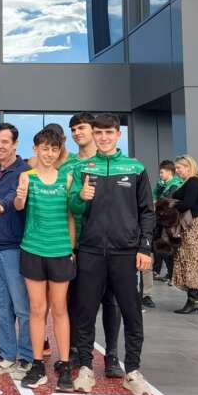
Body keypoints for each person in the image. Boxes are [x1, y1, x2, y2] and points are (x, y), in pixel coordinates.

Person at [68, 113, 156, 395]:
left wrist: (144, 247)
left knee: (131, 312)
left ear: (118, 135)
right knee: (85, 311)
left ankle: (132, 370)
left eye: (109, 133)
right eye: (99, 133)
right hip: (91, 250)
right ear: (94, 136)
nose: (104, 138)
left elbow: (147, 212)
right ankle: (84, 368)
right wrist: (80, 197)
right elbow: (73, 207)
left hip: (126, 252)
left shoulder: (135, 168)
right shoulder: (84, 167)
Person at [58, 112, 123, 378]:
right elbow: (67, 208)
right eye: (73, 129)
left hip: (115, 245)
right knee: (79, 301)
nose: (77, 133)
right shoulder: (70, 167)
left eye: (82, 127)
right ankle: (76, 351)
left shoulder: (121, 164)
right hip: (81, 244)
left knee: (112, 301)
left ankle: (112, 356)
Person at [13, 127, 76, 391]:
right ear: (36, 149)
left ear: (59, 151)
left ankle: (63, 364)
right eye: (44, 148)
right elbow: (18, 208)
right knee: (37, 310)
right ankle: (37, 364)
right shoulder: (27, 177)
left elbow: (72, 217)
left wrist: (71, 248)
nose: (49, 153)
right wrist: (19, 197)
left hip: (60, 251)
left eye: (54, 148)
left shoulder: (68, 179)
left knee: (60, 309)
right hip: (33, 249)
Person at [0, 122, 33, 379]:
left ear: (14, 144)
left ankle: (26, 357)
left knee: (21, 307)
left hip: (13, 248)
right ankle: (7, 355)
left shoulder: (25, 171)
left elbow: (15, 195)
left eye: (4, 142)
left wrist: (2, 205)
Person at [170, 155, 198, 314]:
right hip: (195, 223)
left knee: (191, 260)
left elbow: (187, 204)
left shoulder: (193, 182)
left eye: (179, 168)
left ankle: (193, 301)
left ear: (188, 167)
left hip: (190, 225)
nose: (177, 171)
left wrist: (170, 204)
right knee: (197, 260)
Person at [152, 160, 183, 284]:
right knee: (163, 249)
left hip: (170, 223)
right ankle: (170, 275)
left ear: (170, 172)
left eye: (162, 172)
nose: (160, 175)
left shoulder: (175, 185)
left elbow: (169, 203)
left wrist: (157, 203)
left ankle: (172, 276)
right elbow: (155, 197)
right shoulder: (164, 185)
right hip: (162, 222)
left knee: (169, 250)